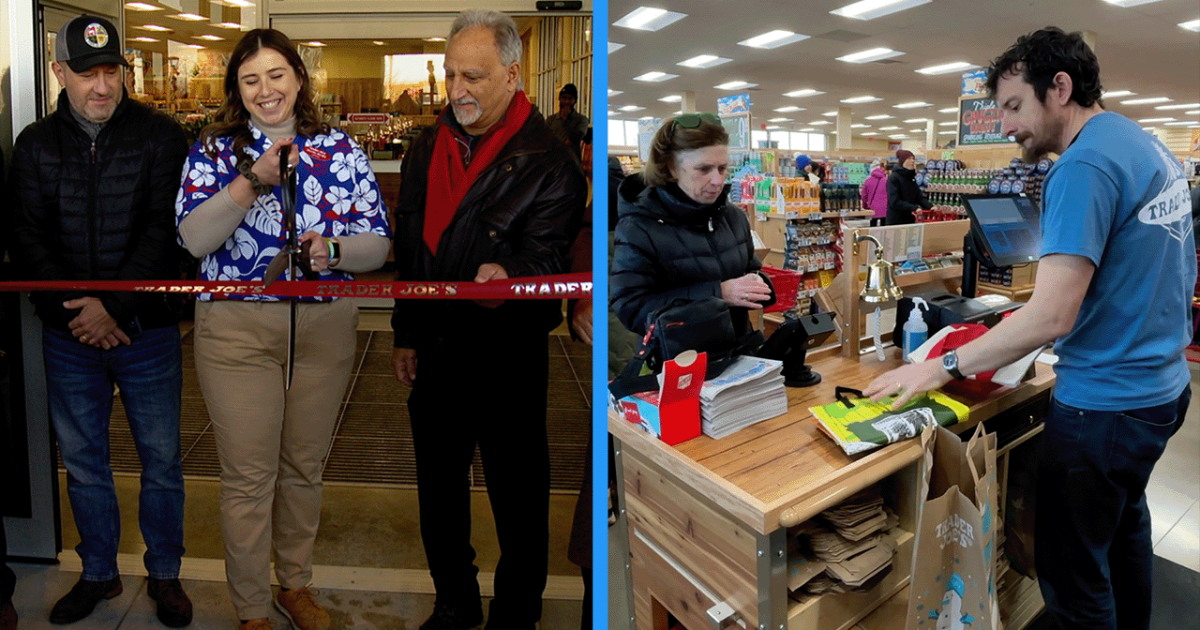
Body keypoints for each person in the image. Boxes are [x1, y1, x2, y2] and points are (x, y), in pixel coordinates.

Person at [864, 27, 1195, 630]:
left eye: (1015, 106)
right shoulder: (1142, 144)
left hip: (1107, 403)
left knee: (1071, 573)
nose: (1006, 126)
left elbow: (1051, 315)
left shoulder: (1083, 165)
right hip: (1162, 388)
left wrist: (937, 366)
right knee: (1122, 533)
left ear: (1060, 88)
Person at [175, 28, 390, 630]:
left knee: (303, 467)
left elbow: (378, 243)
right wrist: (252, 181)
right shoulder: (214, 151)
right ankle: (250, 610)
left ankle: (295, 585)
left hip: (323, 326)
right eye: (251, 81)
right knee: (249, 476)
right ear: (237, 91)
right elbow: (193, 238)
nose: (266, 90)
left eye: (276, 75)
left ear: (298, 78)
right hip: (237, 330)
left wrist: (336, 251)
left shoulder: (341, 150)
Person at [388, 10, 586, 630]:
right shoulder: (428, 145)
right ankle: (454, 599)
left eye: (472, 77)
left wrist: (512, 273)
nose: (457, 91)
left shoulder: (550, 159)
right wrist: (406, 331)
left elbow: (550, 252)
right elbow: (412, 248)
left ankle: (516, 610)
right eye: (449, 76)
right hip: (438, 347)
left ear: (512, 75)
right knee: (439, 492)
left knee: (519, 496)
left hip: (507, 353)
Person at [7, 15, 192, 627]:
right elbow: (28, 239)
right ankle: (98, 575)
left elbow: (164, 235)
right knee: (85, 462)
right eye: (87, 73)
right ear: (60, 73)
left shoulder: (161, 136)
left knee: (161, 459)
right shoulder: (35, 144)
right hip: (70, 338)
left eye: (111, 70)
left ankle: (165, 573)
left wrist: (113, 307)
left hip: (147, 332)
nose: (102, 85)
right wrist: (81, 313)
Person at [611, 113, 775, 341]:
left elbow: (751, 269)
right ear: (671, 168)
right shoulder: (639, 228)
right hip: (677, 364)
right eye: (703, 169)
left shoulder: (734, 218)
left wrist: (759, 283)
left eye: (722, 168)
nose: (718, 180)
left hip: (739, 355)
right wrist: (719, 293)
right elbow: (631, 308)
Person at [886, 149, 931, 225]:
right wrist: (914, 208)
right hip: (896, 221)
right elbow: (894, 201)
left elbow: (919, 197)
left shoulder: (911, 178)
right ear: (903, 161)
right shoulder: (894, 178)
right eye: (909, 159)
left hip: (910, 220)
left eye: (913, 159)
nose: (912, 161)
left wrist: (930, 206)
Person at [546, 83, 590, 159]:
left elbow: (576, 139)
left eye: (570, 98)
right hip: (552, 163)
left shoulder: (582, 119)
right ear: (559, 99)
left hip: (571, 163)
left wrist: (566, 120)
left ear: (575, 101)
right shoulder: (551, 119)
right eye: (564, 98)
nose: (566, 101)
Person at [862, 159, 889, 226]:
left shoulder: (868, 180)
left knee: (873, 226)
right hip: (885, 209)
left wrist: (865, 206)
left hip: (872, 209)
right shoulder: (887, 180)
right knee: (884, 227)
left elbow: (864, 196)